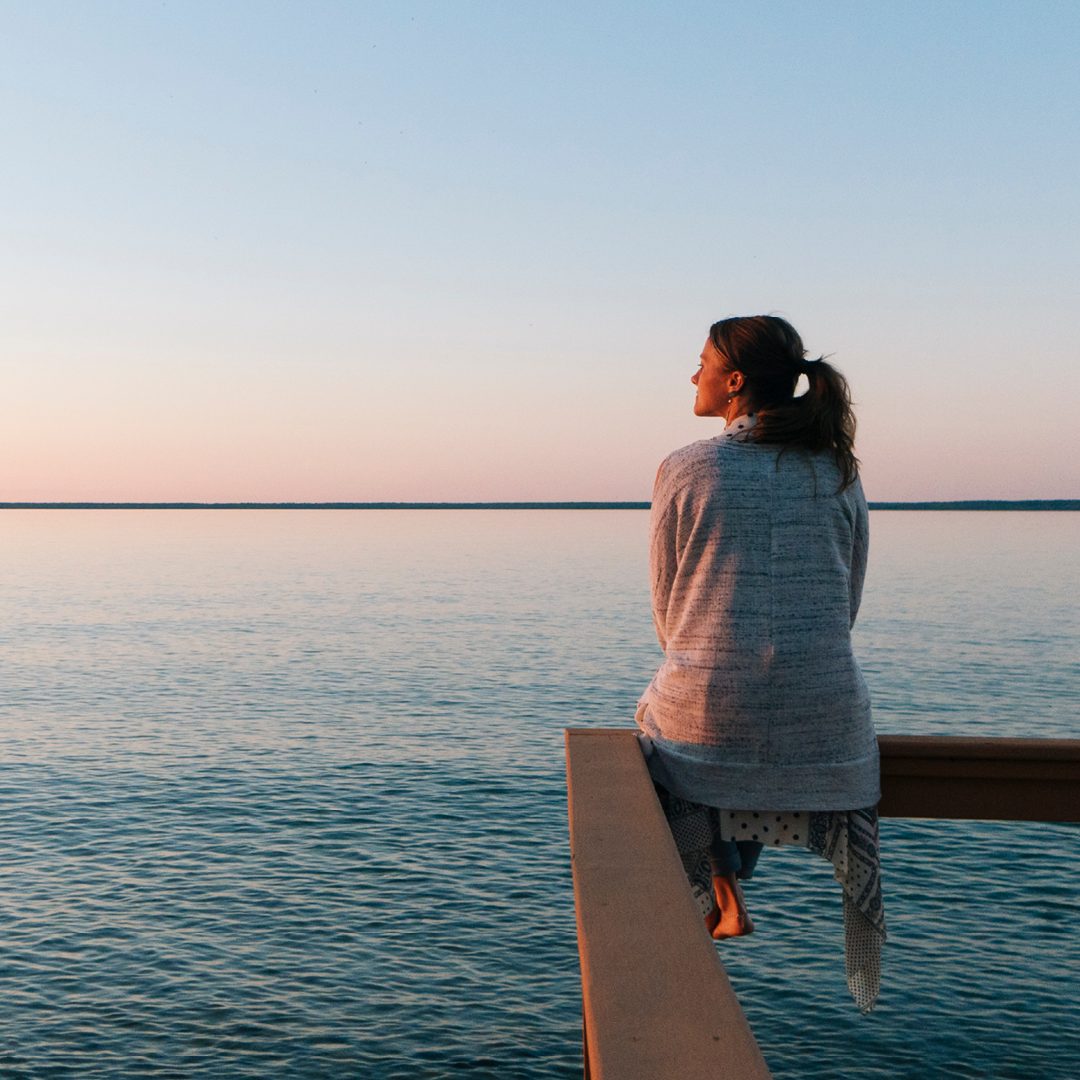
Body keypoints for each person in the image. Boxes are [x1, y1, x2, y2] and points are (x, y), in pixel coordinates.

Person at [636, 315, 882, 965]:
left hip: (715, 704)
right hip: (829, 713)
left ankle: (722, 884)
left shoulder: (687, 467)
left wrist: (705, 654)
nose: (694, 376)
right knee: (739, 737)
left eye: (702, 363)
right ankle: (732, 881)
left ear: (735, 382)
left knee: (668, 732)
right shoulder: (837, 469)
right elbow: (846, 598)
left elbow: (669, 610)